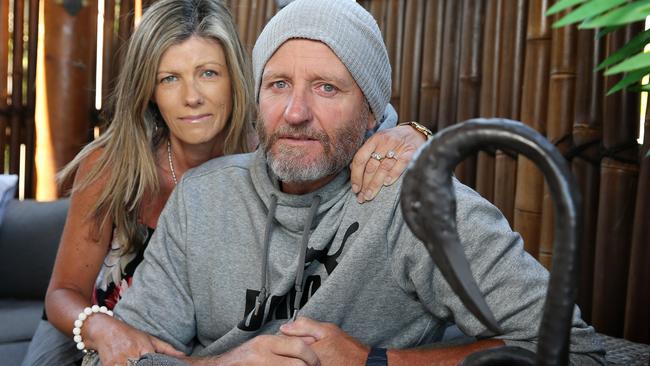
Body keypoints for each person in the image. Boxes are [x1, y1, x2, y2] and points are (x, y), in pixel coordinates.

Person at [87, 0, 606, 365]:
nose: (295, 112)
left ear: (374, 110)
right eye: (279, 84)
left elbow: (571, 349)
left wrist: (374, 361)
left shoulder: (416, 209)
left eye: (327, 87)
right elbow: (116, 358)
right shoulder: (202, 198)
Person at [20, 1, 428, 365]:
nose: (192, 96)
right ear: (149, 92)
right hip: (93, 327)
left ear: (235, 78)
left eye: (208, 73)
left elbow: (358, 126)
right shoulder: (111, 165)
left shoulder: (276, 156)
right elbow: (62, 293)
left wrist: (419, 134)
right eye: (169, 79)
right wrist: (102, 330)